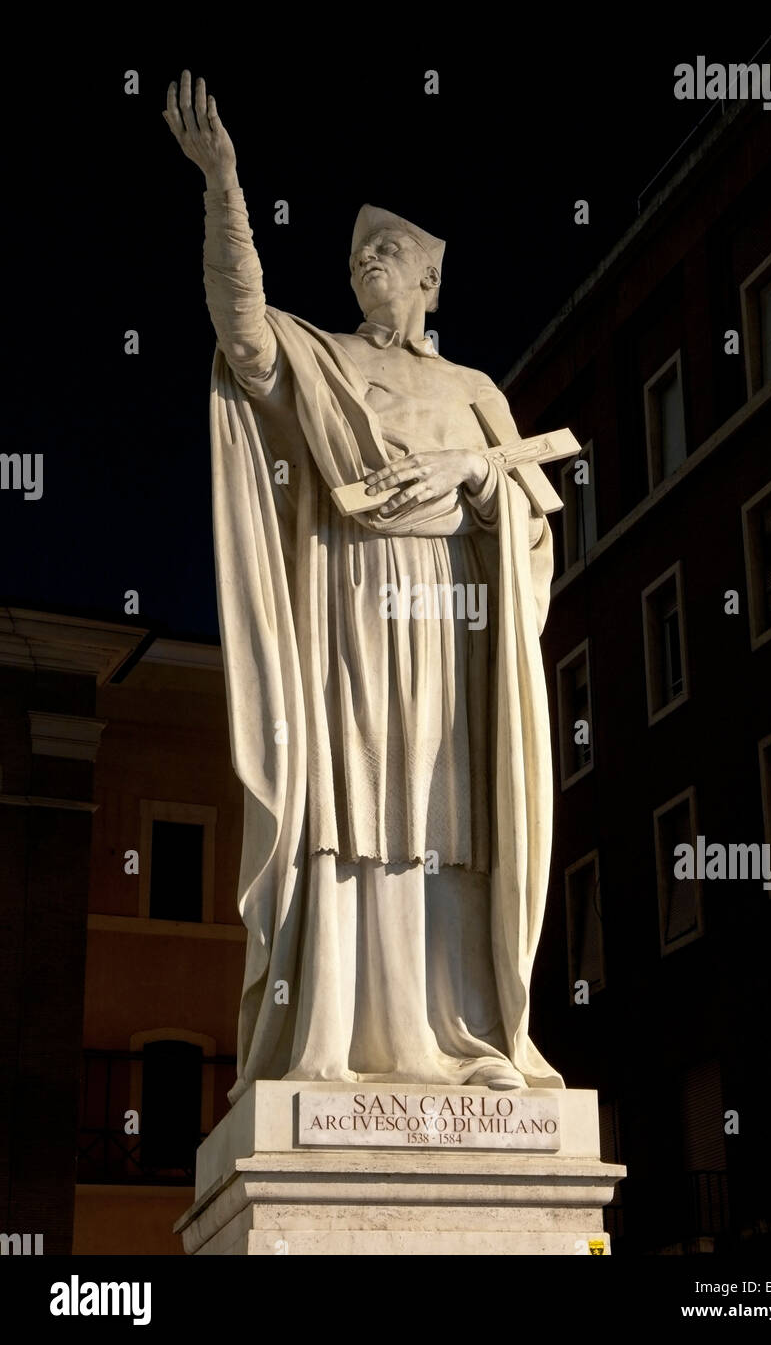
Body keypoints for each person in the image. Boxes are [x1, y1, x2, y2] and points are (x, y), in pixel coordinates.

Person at [163, 70, 563, 1099]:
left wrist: (473, 470)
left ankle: (460, 1033)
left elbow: (526, 520)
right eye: (350, 261)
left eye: (379, 256)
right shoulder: (325, 361)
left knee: (447, 812)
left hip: (452, 617)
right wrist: (224, 187)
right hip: (351, 607)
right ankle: (340, 1031)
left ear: (428, 275)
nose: (358, 272)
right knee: (352, 806)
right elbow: (242, 328)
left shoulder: (475, 392)